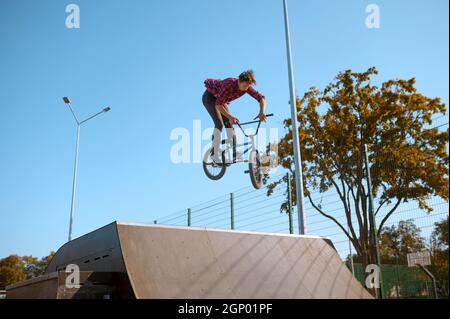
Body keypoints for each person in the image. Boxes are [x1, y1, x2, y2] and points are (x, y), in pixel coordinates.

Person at [202, 70, 266, 163]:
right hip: (210, 98)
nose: (245, 89)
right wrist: (230, 117)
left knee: (230, 124)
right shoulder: (229, 84)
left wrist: (261, 112)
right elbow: (218, 105)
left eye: (247, 86)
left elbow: (261, 98)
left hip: (221, 100)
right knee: (219, 124)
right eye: (244, 86)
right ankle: (214, 154)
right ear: (239, 81)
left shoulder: (247, 87)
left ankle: (235, 152)